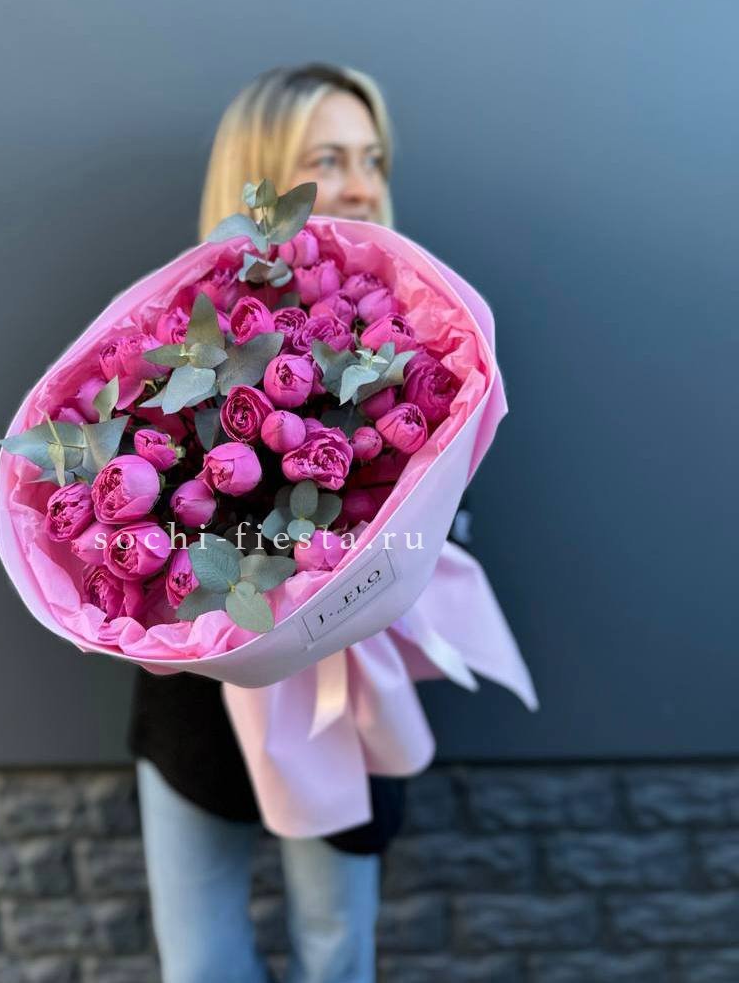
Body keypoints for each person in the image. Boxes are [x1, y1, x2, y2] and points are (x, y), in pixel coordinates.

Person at [128, 62, 472, 983]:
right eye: (328, 159)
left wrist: (380, 548)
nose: (359, 183)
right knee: (202, 965)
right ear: (260, 181)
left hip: (339, 693)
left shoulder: (418, 343)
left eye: (372, 158)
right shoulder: (174, 340)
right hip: (198, 695)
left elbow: (446, 527)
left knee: (336, 949)